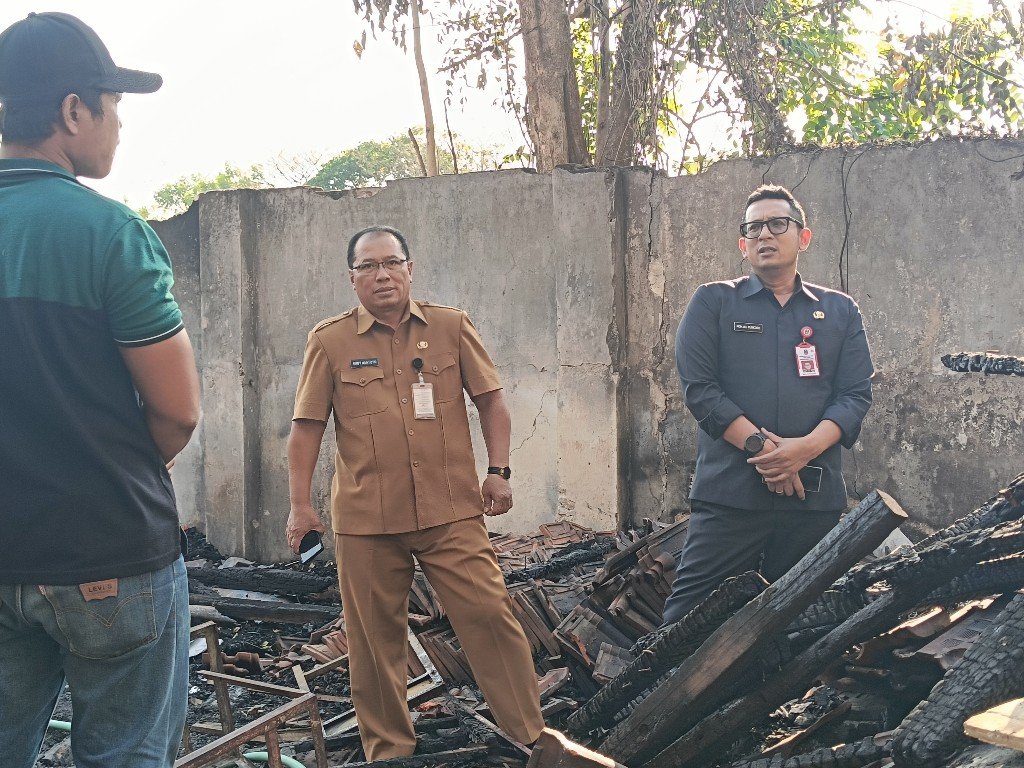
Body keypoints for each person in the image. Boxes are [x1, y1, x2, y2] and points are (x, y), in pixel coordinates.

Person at [0, 12, 200, 768]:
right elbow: (178, 411)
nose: (118, 126)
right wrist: (107, 471)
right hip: (108, 555)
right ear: (72, 111)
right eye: (112, 107)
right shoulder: (110, 233)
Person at [286, 225, 545, 760]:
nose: (381, 275)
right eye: (368, 267)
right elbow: (307, 426)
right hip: (366, 522)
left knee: (490, 617)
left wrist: (500, 471)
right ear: (352, 278)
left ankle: (528, 740)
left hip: (450, 511)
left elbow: (491, 401)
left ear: (410, 269)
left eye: (391, 263)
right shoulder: (329, 341)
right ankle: (390, 752)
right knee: (374, 643)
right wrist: (300, 505)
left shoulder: (451, 327)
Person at [660, 185, 873, 626]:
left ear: (803, 237)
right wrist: (766, 453)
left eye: (778, 224)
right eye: (754, 227)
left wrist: (804, 451)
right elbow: (700, 390)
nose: (765, 235)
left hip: (812, 501)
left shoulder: (840, 312)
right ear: (743, 245)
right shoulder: (713, 302)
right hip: (730, 496)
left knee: (806, 627)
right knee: (686, 625)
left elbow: (855, 395)